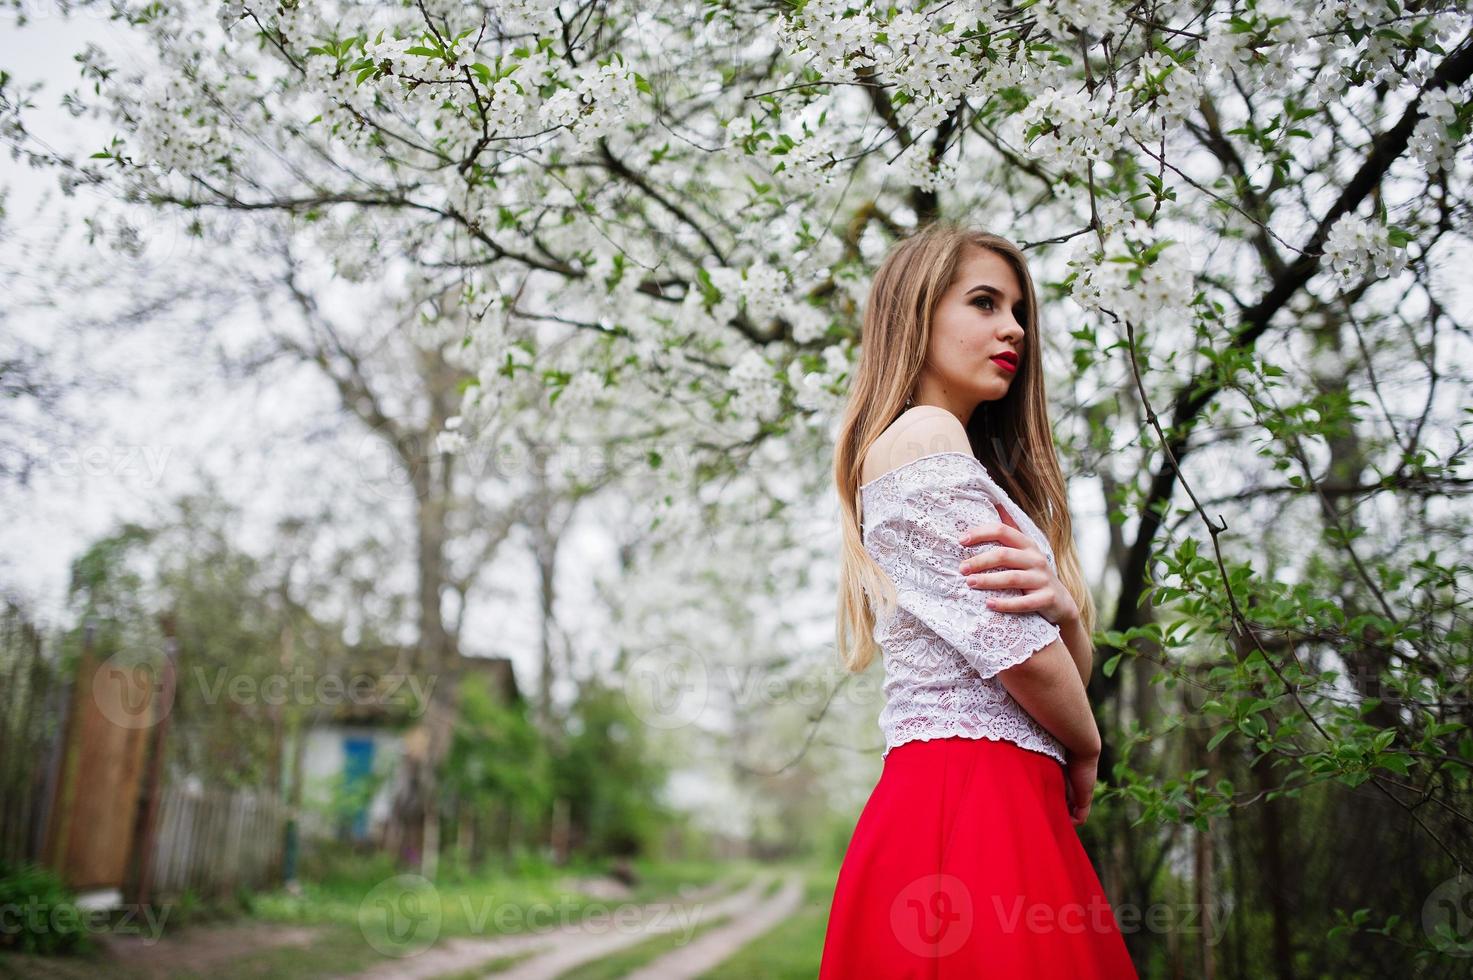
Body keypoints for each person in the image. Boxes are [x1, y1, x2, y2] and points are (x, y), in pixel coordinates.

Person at [820, 221, 1138, 978]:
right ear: (915, 314)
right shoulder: (926, 434)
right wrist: (1088, 744)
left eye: (1019, 311)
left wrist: (1060, 608)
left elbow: (1056, 656)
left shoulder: (949, 452)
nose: (1013, 330)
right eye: (985, 303)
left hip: (996, 793)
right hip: (969, 802)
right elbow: (1015, 653)